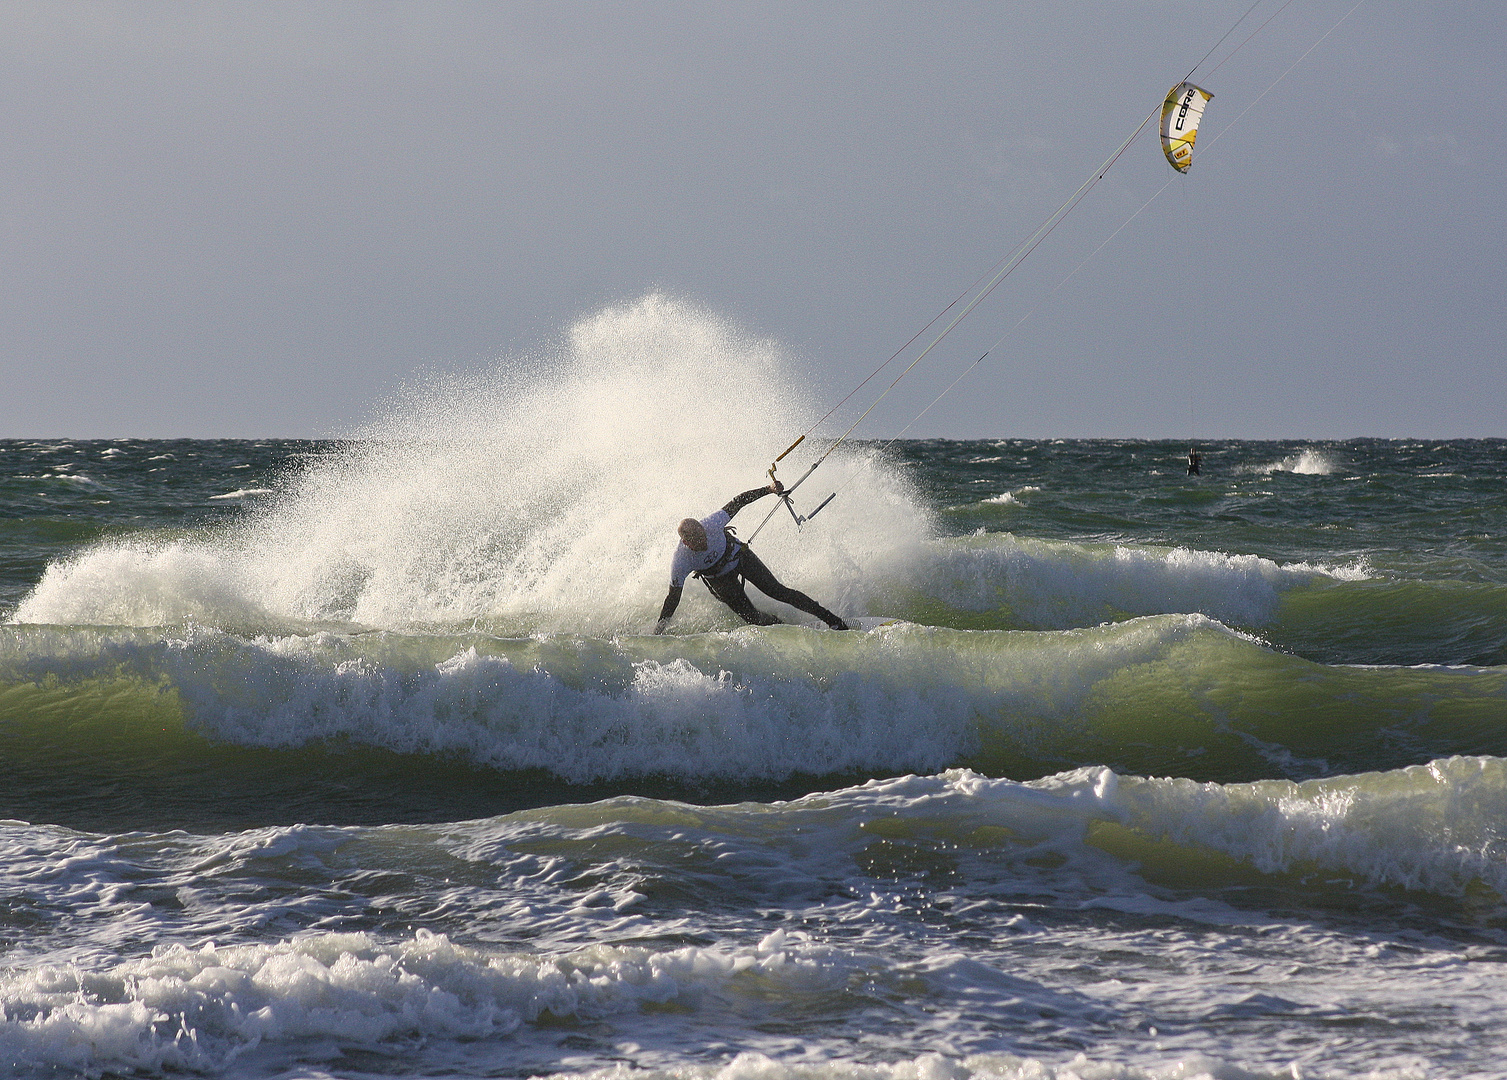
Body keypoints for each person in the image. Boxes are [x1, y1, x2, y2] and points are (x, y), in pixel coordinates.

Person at [654, 481, 849, 633]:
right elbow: (672, 599)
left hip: (739, 556)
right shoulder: (681, 561)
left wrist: (769, 488)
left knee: (778, 591)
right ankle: (781, 627)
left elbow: (739, 500)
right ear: (686, 543)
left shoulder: (711, 524)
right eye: (697, 541)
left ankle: (833, 621)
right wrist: (658, 632)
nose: (703, 542)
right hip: (719, 579)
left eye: (703, 536)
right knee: (752, 619)